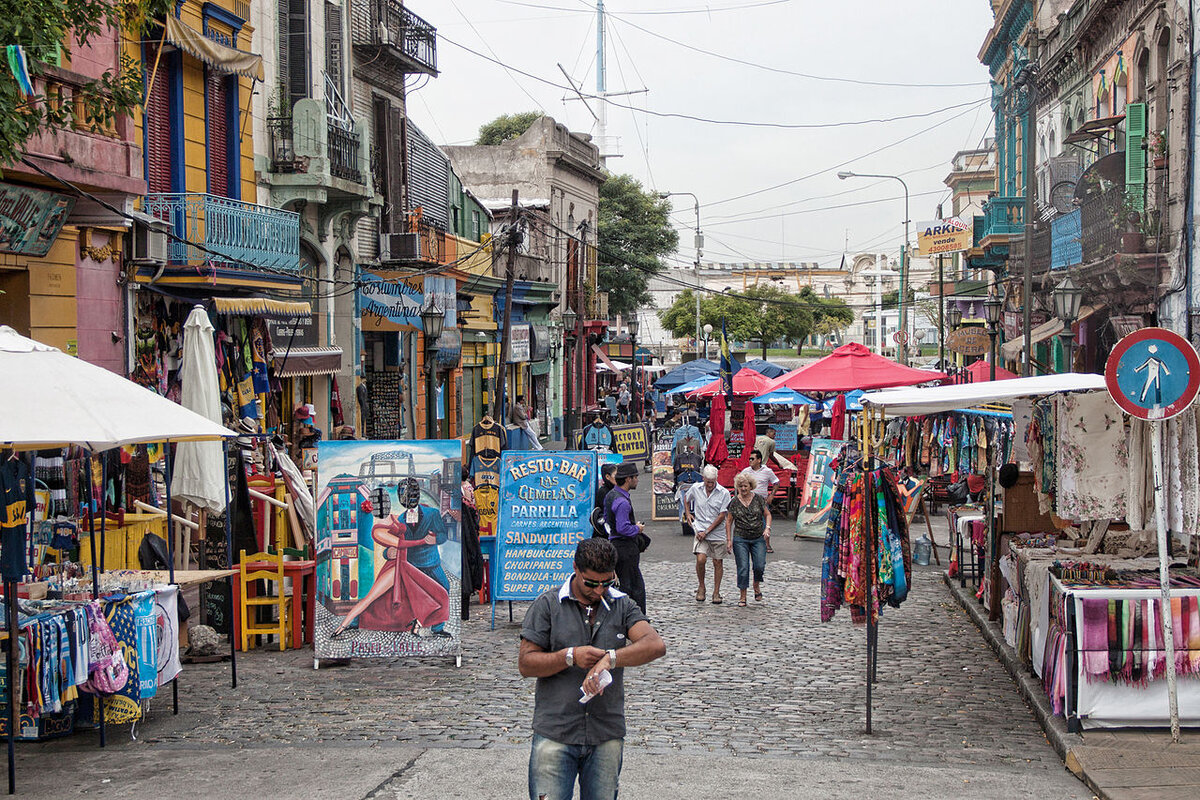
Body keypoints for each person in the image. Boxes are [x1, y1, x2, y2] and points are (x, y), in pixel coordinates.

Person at [518, 537, 666, 800]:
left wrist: (610, 658)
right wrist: (569, 656)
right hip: (556, 731)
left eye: (607, 582)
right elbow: (526, 663)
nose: (599, 590)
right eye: (591, 583)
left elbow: (654, 645)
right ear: (575, 568)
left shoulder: (622, 605)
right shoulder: (548, 605)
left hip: (605, 732)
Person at [684, 466, 731, 604]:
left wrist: (707, 531)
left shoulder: (723, 493)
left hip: (716, 532)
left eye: (712, 482)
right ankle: (701, 586)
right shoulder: (696, 488)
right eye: (707, 482)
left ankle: (716, 591)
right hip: (700, 530)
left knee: (717, 561)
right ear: (703, 479)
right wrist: (688, 514)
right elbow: (686, 498)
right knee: (701, 559)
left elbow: (722, 515)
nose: (710, 485)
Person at [605, 462, 646, 614]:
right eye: (635, 477)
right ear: (628, 479)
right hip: (625, 548)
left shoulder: (611, 495)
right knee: (634, 587)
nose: (637, 480)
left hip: (616, 544)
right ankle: (635, 618)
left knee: (628, 584)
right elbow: (622, 528)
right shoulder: (622, 501)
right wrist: (637, 528)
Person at [726, 472, 771, 607]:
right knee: (743, 568)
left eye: (745, 486)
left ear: (751, 486)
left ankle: (756, 585)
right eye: (740, 487)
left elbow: (767, 514)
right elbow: (728, 522)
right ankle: (743, 596)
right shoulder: (734, 502)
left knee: (759, 565)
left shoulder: (758, 499)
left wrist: (767, 528)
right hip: (741, 538)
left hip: (758, 537)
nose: (743, 489)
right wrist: (729, 540)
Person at [739, 449, 780, 553]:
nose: (750, 461)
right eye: (749, 459)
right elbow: (739, 484)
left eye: (752, 459)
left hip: (762, 501)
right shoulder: (746, 471)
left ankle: (766, 543)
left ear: (759, 460)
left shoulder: (767, 471)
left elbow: (776, 482)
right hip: (748, 501)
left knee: (765, 522)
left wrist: (771, 495)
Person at [672, 441, 704, 536]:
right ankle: (685, 522)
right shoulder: (679, 458)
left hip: (695, 486)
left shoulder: (697, 457)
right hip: (683, 486)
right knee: (683, 504)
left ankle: (696, 523)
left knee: (696, 506)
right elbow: (675, 473)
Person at [592, 463, 618, 538]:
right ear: (607, 477)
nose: (619, 477)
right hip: (605, 532)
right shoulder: (603, 492)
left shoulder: (615, 490)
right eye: (615, 475)